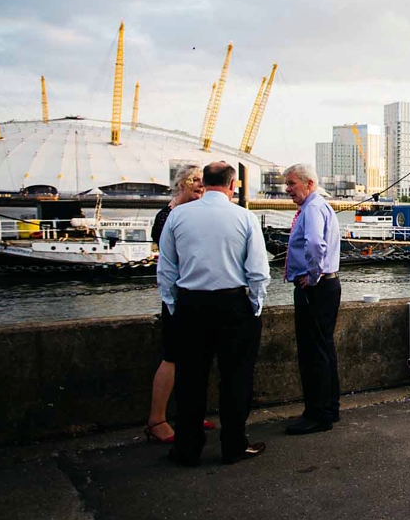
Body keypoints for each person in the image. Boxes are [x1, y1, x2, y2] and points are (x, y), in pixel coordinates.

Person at [157, 161, 270, 466]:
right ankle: (233, 445)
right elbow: (258, 271)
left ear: (204, 182)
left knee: (190, 380)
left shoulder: (178, 216)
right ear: (233, 185)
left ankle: (187, 448)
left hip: (190, 306)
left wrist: (173, 304)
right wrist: (255, 306)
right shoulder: (245, 218)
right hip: (233, 305)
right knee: (236, 379)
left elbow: (166, 269)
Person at [145, 164, 211, 444]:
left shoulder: (193, 214)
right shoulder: (167, 216)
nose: (200, 185)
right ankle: (156, 420)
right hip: (177, 297)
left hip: (198, 295)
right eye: (195, 180)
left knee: (196, 360)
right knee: (172, 357)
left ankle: (190, 416)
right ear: (181, 183)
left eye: (203, 181)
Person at [282, 164, 343, 435]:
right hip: (327, 287)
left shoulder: (312, 209)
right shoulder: (318, 206)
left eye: (292, 183)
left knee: (312, 352)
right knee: (324, 349)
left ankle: (317, 415)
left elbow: (315, 244)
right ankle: (329, 408)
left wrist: (313, 276)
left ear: (309, 184)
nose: (287, 189)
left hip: (316, 289)